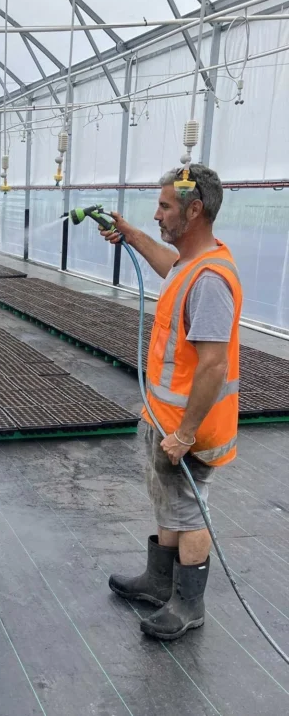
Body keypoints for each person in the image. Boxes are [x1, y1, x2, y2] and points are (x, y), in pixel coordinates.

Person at [101, 164, 242, 640]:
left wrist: (184, 434)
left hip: (190, 428)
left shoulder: (210, 281)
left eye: (165, 206)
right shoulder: (189, 265)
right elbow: (167, 264)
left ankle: (188, 605)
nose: (157, 214)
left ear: (195, 210)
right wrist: (130, 234)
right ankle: (159, 582)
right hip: (165, 418)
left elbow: (212, 367)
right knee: (170, 504)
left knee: (191, 509)